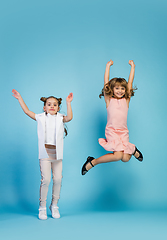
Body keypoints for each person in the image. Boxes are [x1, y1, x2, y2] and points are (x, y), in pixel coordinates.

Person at [12, 89, 73, 219]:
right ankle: (42, 207)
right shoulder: (40, 117)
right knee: (46, 180)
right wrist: (19, 98)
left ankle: (54, 205)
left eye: (55, 104)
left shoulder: (61, 118)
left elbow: (70, 117)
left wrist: (68, 103)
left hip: (57, 155)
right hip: (45, 154)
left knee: (58, 179)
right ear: (44, 107)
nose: (52, 106)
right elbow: (27, 111)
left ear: (58, 108)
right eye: (49, 104)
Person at [81, 59, 143, 175]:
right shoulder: (109, 100)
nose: (120, 91)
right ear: (112, 89)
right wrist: (108, 66)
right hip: (112, 131)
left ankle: (133, 149)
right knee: (118, 155)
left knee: (125, 158)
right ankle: (92, 162)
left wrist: (132, 67)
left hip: (123, 131)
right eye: (117, 88)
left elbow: (130, 82)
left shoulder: (126, 100)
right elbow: (105, 83)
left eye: (122, 88)